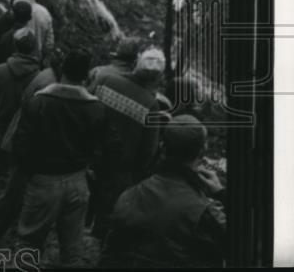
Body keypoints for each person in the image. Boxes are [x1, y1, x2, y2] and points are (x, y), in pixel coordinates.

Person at [13, 49, 106, 268]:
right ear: (87, 77)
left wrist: (30, 173)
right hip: (78, 181)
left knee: (29, 243)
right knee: (72, 249)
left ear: (62, 70)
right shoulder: (96, 108)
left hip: (43, 180)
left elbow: (21, 143)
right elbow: (99, 148)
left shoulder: (39, 102)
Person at [101, 115, 226, 268]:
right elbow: (241, 244)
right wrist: (221, 194)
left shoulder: (129, 196)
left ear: (162, 147)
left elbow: (110, 255)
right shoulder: (203, 213)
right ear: (202, 151)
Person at [91, 47, 167, 238]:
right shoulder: (151, 104)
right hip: (120, 170)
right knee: (107, 217)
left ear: (136, 65)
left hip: (88, 158)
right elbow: (148, 151)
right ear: (157, 78)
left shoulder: (106, 80)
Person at [0, 29, 41, 229]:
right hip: (24, 131)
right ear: (33, 49)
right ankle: (11, 215)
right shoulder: (39, 76)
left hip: (1, 126)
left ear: (15, 46)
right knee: (17, 175)